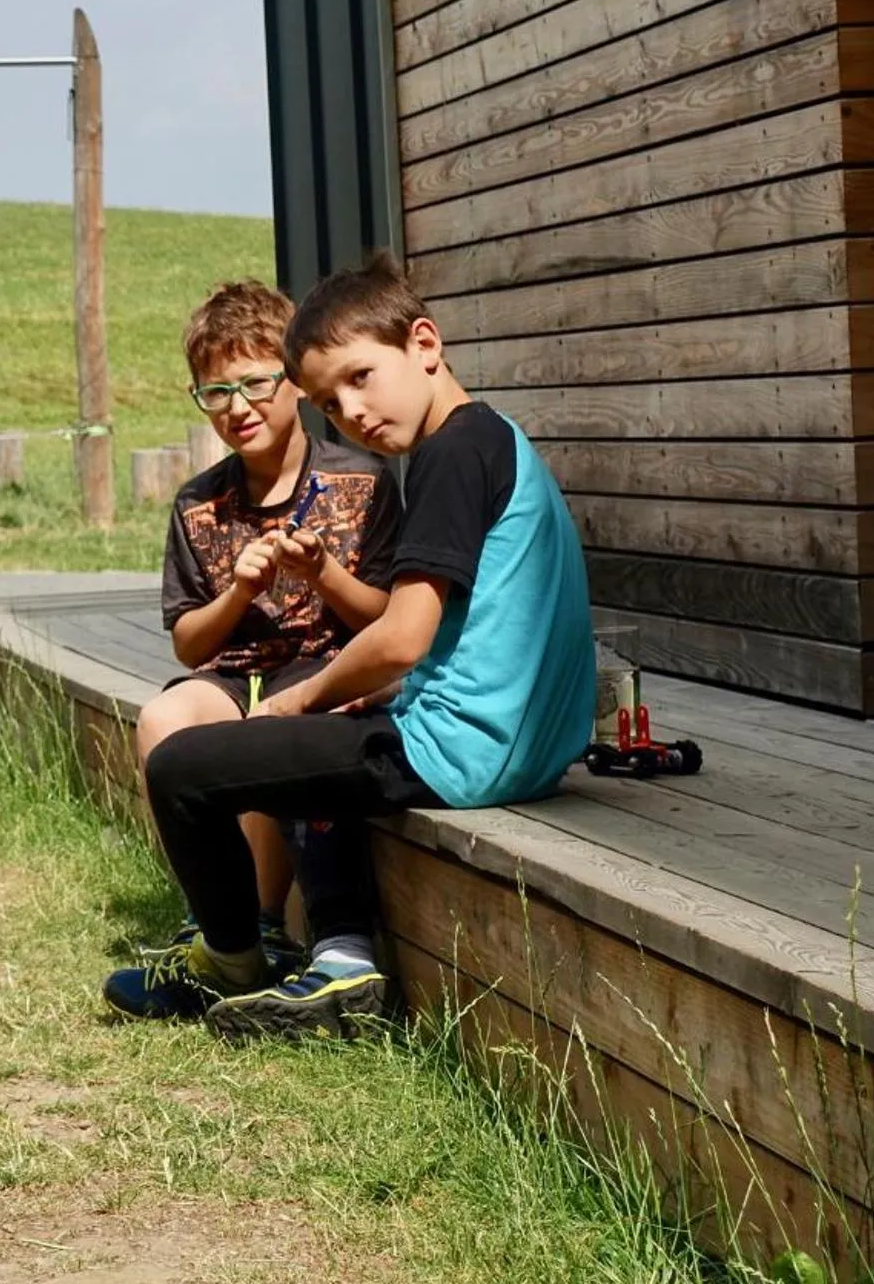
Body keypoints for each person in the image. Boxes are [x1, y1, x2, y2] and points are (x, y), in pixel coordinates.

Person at [108, 252, 595, 1041]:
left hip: (462, 751)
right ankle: (340, 956)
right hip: (525, 743)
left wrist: (301, 698)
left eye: (362, 377)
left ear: (425, 345)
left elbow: (401, 638)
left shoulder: (448, 455)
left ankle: (231, 959)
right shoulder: (494, 438)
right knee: (314, 746)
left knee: (183, 769)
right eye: (331, 403)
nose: (352, 412)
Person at [119, 281, 400, 1001]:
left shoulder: (361, 480)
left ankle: (264, 927)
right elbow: (188, 643)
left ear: (296, 382)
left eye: (253, 384)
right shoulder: (198, 502)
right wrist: (238, 592)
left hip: (324, 670)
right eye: (215, 393)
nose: (237, 408)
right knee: (164, 719)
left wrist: (324, 573)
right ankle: (216, 924)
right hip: (229, 671)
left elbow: (387, 619)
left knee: (279, 716)